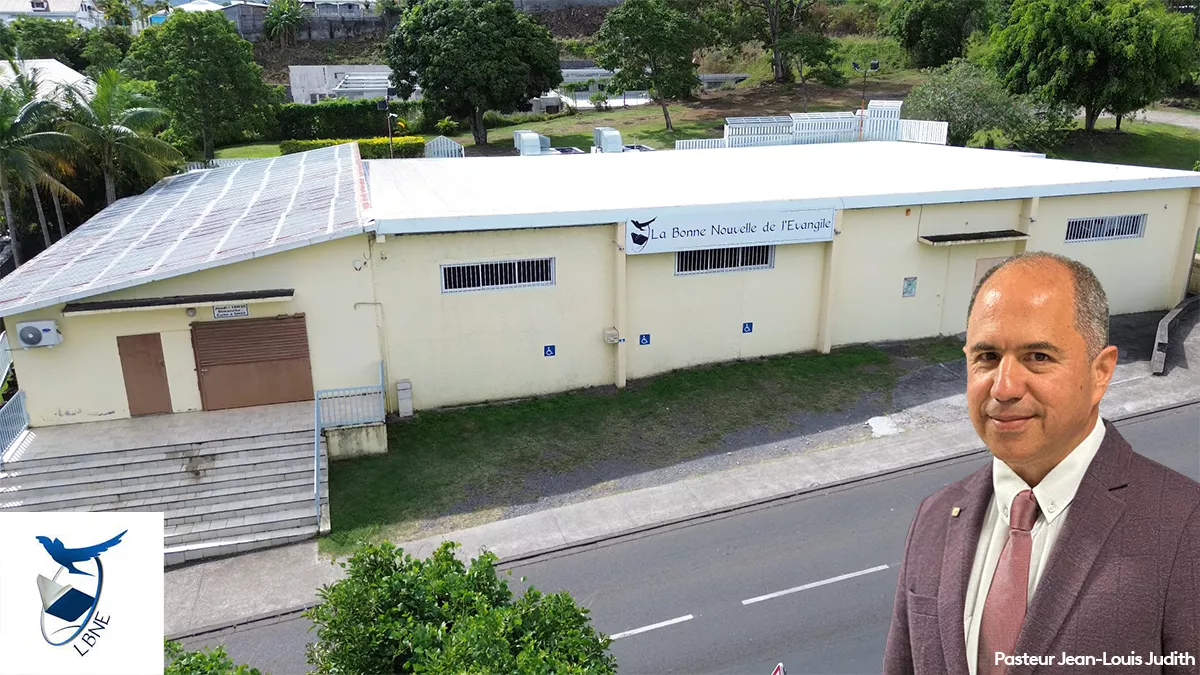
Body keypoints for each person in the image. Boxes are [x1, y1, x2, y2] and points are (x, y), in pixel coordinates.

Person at [883, 251, 1200, 675]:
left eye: (1038, 357)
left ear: (1101, 372)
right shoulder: (935, 516)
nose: (1005, 387)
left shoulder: (1185, 526)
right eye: (987, 357)